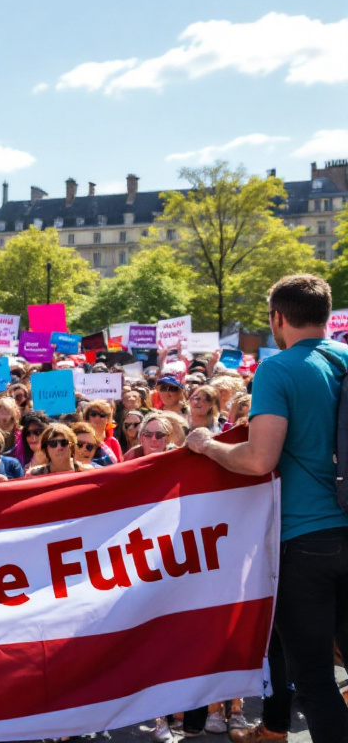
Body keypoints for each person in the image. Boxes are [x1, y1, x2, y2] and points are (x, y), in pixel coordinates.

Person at [187, 274, 348, 743]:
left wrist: (208, 446)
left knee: (315, 678)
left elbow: (259, 458)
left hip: (304, 542)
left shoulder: (279, 369)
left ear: (277, 318)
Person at [27, 423, 92, 475]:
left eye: (64, 442)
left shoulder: (87, 472)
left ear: (72, 447)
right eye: (53, 443)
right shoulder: (34, 475)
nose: (59, 447)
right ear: (45, 449)